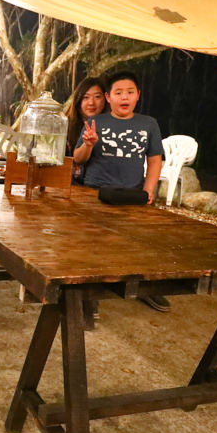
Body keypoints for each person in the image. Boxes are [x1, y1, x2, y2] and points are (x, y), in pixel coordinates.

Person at [73, 71, 169, 312]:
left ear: (138, 95)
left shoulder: (149, 124)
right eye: (118, 93)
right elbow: (78, 158)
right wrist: (88, 144)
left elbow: (155, 160)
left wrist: (148, 190)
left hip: (132, 194)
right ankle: (87, 296)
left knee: (132, 243)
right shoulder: (96, 122)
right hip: (94, 193)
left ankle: (143, 288)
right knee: (91, 244)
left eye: (129, 92)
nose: (124, 97)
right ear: (109, 97)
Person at [65, 77, 107, 184]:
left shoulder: (111, 127)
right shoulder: (65, 126)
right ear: (78, 100)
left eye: (97, 97)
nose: (91, 103)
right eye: (86, 97)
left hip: (100, 187)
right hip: (69, 185)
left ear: (106, 98)